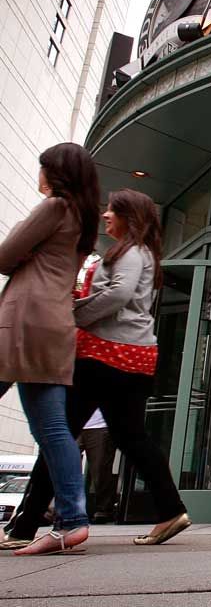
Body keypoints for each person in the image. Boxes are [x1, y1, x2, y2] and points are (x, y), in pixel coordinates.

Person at [4, 189, 191, 548]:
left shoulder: (133, 252)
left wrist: (73, 314)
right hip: (125, 356)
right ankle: (170, 510)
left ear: (129, 217)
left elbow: (119, 295)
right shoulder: (136, 252)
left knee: (57, 434)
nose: (105, 216)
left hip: (107, 356)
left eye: (112, 211)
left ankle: (23, 527)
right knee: (128, 436)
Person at [0, 143, 99, 555]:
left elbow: (5, 257)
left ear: (56, 173)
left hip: (24, 320)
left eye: (42, 168)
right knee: (53, 429)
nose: (38, 176)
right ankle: (73, 520)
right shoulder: (85, 219)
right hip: (55, 323)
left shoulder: (56, 207)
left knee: (52, 429)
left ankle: (72, 520)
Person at [78, 410, 117, 524]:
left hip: (100, 425)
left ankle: (104, 510)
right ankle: (51, 512)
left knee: (101, 471)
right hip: (69, 422)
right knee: (62, 467)